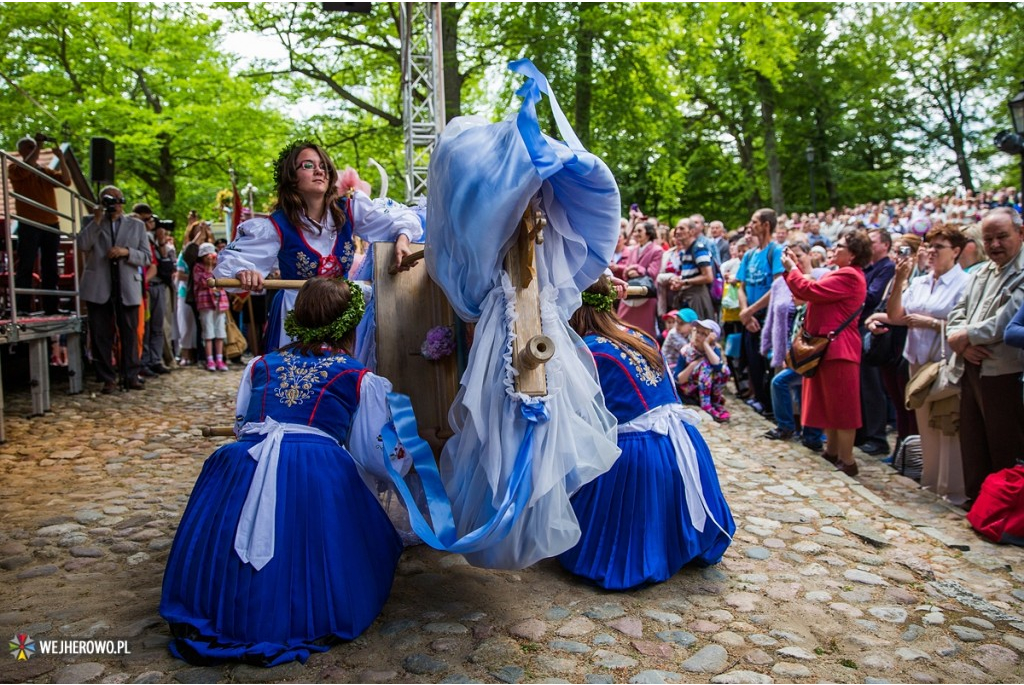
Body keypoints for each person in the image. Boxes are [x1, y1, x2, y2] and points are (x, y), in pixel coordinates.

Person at [160, 277, 412, 666]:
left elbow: (244, 424)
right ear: (350, 325)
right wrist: (405, 460)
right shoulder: (358, 377)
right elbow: (373, 451)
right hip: (316, 466)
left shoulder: (260, 365)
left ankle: (227, 602)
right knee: (344, 523)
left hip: (244, 460)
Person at [559, 276, 734, 590]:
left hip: (639, 458)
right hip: (684, 446)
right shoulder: (641, 335)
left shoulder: (588, 352)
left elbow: (577, 418)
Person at [215, 140, 422, 350]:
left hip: (341, 314)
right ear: (291, 177)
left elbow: (404, 218)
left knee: (341, 376)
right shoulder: (276, 226)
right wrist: (243, 272)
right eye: (308, 165)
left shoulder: (350, 210)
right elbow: (228, 267)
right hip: (295, 315)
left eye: (323, 166)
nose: (319, 171)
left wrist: (403, 238)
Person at [877, 224, 969, 504]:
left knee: (945, 425)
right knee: (924, 426)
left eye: (938, 247)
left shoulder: (964, 283)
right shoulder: (919, 281)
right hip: (916, 361)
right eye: (928, 246)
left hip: (943, 363)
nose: (930, 252)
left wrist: (930, 323)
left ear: (955, 251)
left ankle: (952, 491)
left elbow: (964, 323)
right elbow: (895, 316)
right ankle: (931, 483)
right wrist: (899, 279)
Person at [946, 207, 1024, 509]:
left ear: (1020, 233)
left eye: (1001, 237)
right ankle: (978, 501)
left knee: (1004, 442)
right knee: (973, 438)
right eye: (988, 239)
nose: (994, 245)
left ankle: (1004, 508)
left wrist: (964, 336)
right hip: (971, 364)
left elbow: (1006, 322)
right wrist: (960, 343)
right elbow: (957, 312)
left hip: (1004, 369)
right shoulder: (980, 273)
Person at [781, 230, 871, 477]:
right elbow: (805, 291)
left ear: (853, 254)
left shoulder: (850, 276)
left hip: (839, 349)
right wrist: (795, 269)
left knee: (843, 407)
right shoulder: (842, 274)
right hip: (828, 347)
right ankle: (832, 453)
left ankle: (847, 459)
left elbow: (809, 290)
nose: (834, 248)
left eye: (840, 246)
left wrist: (792, 268)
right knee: (830, 405)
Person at [77, 186, 150, 393]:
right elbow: (82, 244)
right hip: (98, 286)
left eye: (119, 199)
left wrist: (126, 252)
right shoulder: (90, 222)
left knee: (129, 332)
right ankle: (107, 377)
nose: (115, 203)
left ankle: (131, 374)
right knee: (101, 334)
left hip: (127, 285)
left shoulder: (136, 225)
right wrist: (98, 220)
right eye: (110, 200)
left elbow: (146, 257)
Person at [9, 134, 67, 315]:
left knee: (50, 266)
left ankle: (51, 306)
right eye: (29, 146)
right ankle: (22, 307)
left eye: (33, 146)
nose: (33, 149)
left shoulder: (45, 171)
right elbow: (26, 167)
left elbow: (66, 181)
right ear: (21, 151)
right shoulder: (16, 168)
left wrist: (62, 159)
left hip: (51, 223)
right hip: (29, 223)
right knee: (26, 265)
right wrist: (39, 146)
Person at [737, 208, 785, 417]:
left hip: (768, 316)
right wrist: (745, 313)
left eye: (755, 221)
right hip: (750, 316)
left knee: (768, 363)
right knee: (753, 362)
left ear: (766, 225)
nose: (751, 225)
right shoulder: (748, 255)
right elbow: (741, 286)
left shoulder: (776, 251)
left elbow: (777, 286)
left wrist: (751, 311)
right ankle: (760, 401)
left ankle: (773, 408)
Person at [855, 228, 896, 457]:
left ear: (885, 245)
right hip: (862, 328)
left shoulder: (887, 268)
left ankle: (877, 437)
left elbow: (872, 296)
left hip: (874, 330)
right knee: (863, 385)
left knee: (872, 385)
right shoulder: (868, 269)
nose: (868, 246)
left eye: (872, 242)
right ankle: (864, 433)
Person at [611, 220, 662, 338]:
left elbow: (653, 273)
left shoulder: (657, 250)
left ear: (648, 233)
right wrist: (628, 271)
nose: (636, 233)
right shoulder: (633, 249)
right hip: (629, 292)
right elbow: (625, 272)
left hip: (646, 295)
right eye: (635, 230)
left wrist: (635, 268)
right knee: (622, 326)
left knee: (644, 331)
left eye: (640, 230)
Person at [676, 318, 731, 423]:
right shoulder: (687, 351)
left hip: (708, 391)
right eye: (697, 332)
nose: (698, 336)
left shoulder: (714, 350)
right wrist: (693, 365)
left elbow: (719, 368)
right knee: (705, 365)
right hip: (689, 391)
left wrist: (706, 345)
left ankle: (715, 402)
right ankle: (706, 405)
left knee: (723, 369)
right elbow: (678, 379)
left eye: (704, 334)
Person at [193, 243, 230, 372]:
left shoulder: (220, 267)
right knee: (208, 332)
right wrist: (208, 269)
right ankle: (209, 359)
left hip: (220, 303)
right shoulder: (198, 268)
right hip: (205, 303)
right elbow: (204, 282)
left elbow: (224, 280)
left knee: (220, 332)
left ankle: (219, 359)